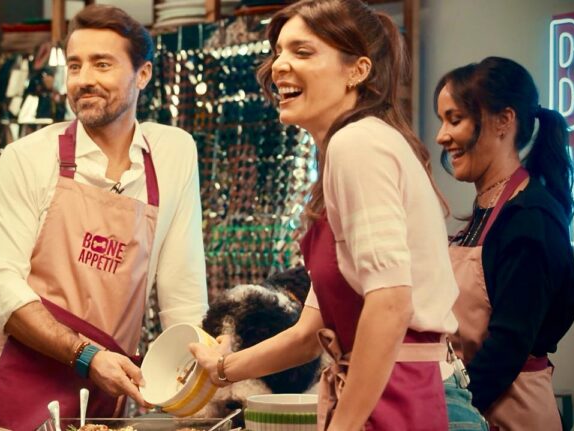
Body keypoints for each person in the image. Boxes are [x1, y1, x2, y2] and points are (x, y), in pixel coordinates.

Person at [191, 1, 485, 430]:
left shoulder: (357, 145)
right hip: (402, 390)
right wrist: (221, 368)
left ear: (357, 71)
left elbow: (390, 304)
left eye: (303, 52)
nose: (279, 65)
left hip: (410, 397)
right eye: (278, 52)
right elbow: (309, 333)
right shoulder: (355, 147)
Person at [0, 5, 208, 430]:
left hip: (102, 389)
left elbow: (183, 296)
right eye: (74, 65)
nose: (84, 78)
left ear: (143, 74)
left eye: (102, 64)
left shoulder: (173, 154)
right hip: (11, 384)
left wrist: (194, 383)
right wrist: (87, 355)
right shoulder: (27, 157)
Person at [434, 56, 574, 430]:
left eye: (455, 119)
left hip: (508, 414)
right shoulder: (485, 213)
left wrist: (447, 411)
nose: (441, 136)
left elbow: (507, 347)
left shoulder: (529, 217)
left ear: (504, 121)